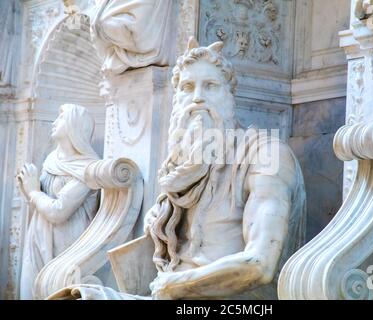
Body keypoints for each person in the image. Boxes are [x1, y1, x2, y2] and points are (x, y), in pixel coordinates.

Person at [50, 38, 305, 300]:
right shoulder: (179, 169)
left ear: (229, 96)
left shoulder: (265, 154)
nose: (197, 98)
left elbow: (260, 264)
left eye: (210, 86)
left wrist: (174, 284)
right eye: (187, 87)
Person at [17, 104, 99, 299]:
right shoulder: (52, 159)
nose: (54, 122)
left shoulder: (87, 168)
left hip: (65, 247)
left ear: (74, 125)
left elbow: (58, 211)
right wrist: (28, 189)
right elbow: (40, 203)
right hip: (38, 237)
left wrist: (33, 191)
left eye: (61, 117)